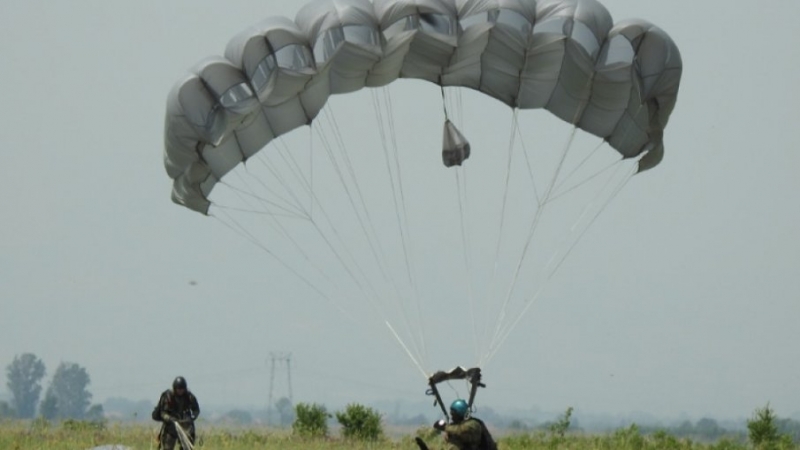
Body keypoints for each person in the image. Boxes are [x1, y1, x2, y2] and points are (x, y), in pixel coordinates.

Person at [151, 376, 200, 450]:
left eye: (182, 389)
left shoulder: (189, 397)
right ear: (174, 388)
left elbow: (196, 410)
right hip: (171, 427)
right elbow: (162, 413)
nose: (180, 391)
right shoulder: (168, 396)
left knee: (187, 447)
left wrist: (192, 417)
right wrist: (170, 419)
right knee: (167, 447)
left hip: (185, 426)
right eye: (178, 389)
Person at [432, 399, 496, 450]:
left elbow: (461, 431)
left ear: (460, 413)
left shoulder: (473, 424)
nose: (452, 417)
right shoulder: (457, 425)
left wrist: (445, 427)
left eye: (453, 414)